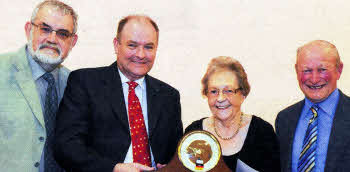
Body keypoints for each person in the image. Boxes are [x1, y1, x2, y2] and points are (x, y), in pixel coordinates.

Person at [54, 15, 183, 172]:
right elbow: (66, 146)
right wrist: (113, 168)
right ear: (116, 45)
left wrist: (170, 166)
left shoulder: (169, 96)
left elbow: (175, 153)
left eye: (148, 47)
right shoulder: (85, 82)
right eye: (132, 45)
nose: (141, 54)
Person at [0, 1, 78, 172]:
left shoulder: (74, 83)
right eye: (45, 29)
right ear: (29, 30)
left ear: (72, 42)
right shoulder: (2, 70)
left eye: (63, 34)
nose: (52, 39)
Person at [185, 56, 280, 172]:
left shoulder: (263, 133)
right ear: (206, 94)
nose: (220, 98)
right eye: (214, 91)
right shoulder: (194, 133)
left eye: (228, 91)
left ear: (243, 94)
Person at [275, 40, 350, 172]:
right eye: (307, 70)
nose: (314, 79)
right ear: (296, 71)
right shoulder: (285, 119)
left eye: (322, 70)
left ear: (339, 70)